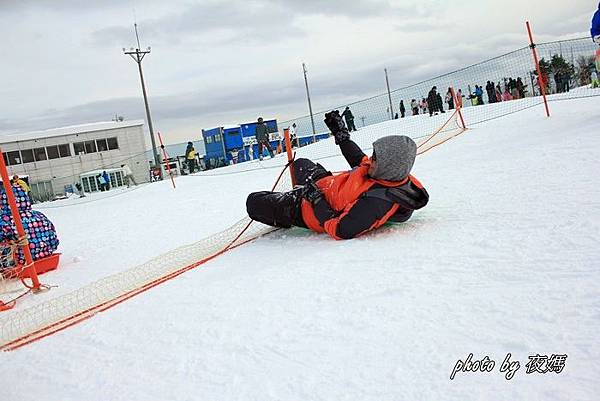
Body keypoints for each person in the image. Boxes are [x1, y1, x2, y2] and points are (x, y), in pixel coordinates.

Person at [246, 110, 429, 240]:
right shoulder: (384, 174)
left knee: (253, 201)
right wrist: (341, 135)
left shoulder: (375, 203)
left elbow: (341, 230)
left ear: (388, 166)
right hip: (324, 184)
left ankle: (287, 209)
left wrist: (317, 200)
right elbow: (358, 158)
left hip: (309, 209)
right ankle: (296, 195)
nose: (370, 159)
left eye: (375, 158)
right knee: (299, 163)